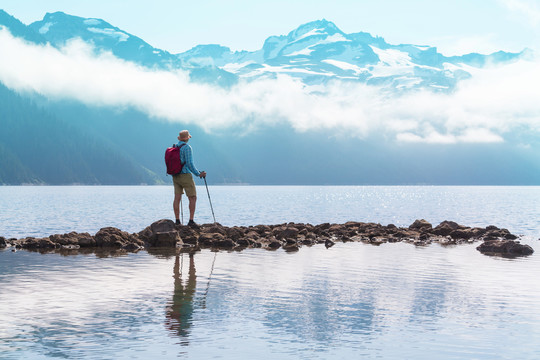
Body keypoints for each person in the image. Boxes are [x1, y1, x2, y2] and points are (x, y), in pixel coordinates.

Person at [173, 130, 206, 227]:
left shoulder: (175, 147)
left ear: (179, 138)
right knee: (192, 198)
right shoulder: (187, 148)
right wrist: (198, 174)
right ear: (187, 138)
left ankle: (177, 221)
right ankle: (191, 221)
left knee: (177, 198)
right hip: (185, 175)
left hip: (175, 175)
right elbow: (189, 164)